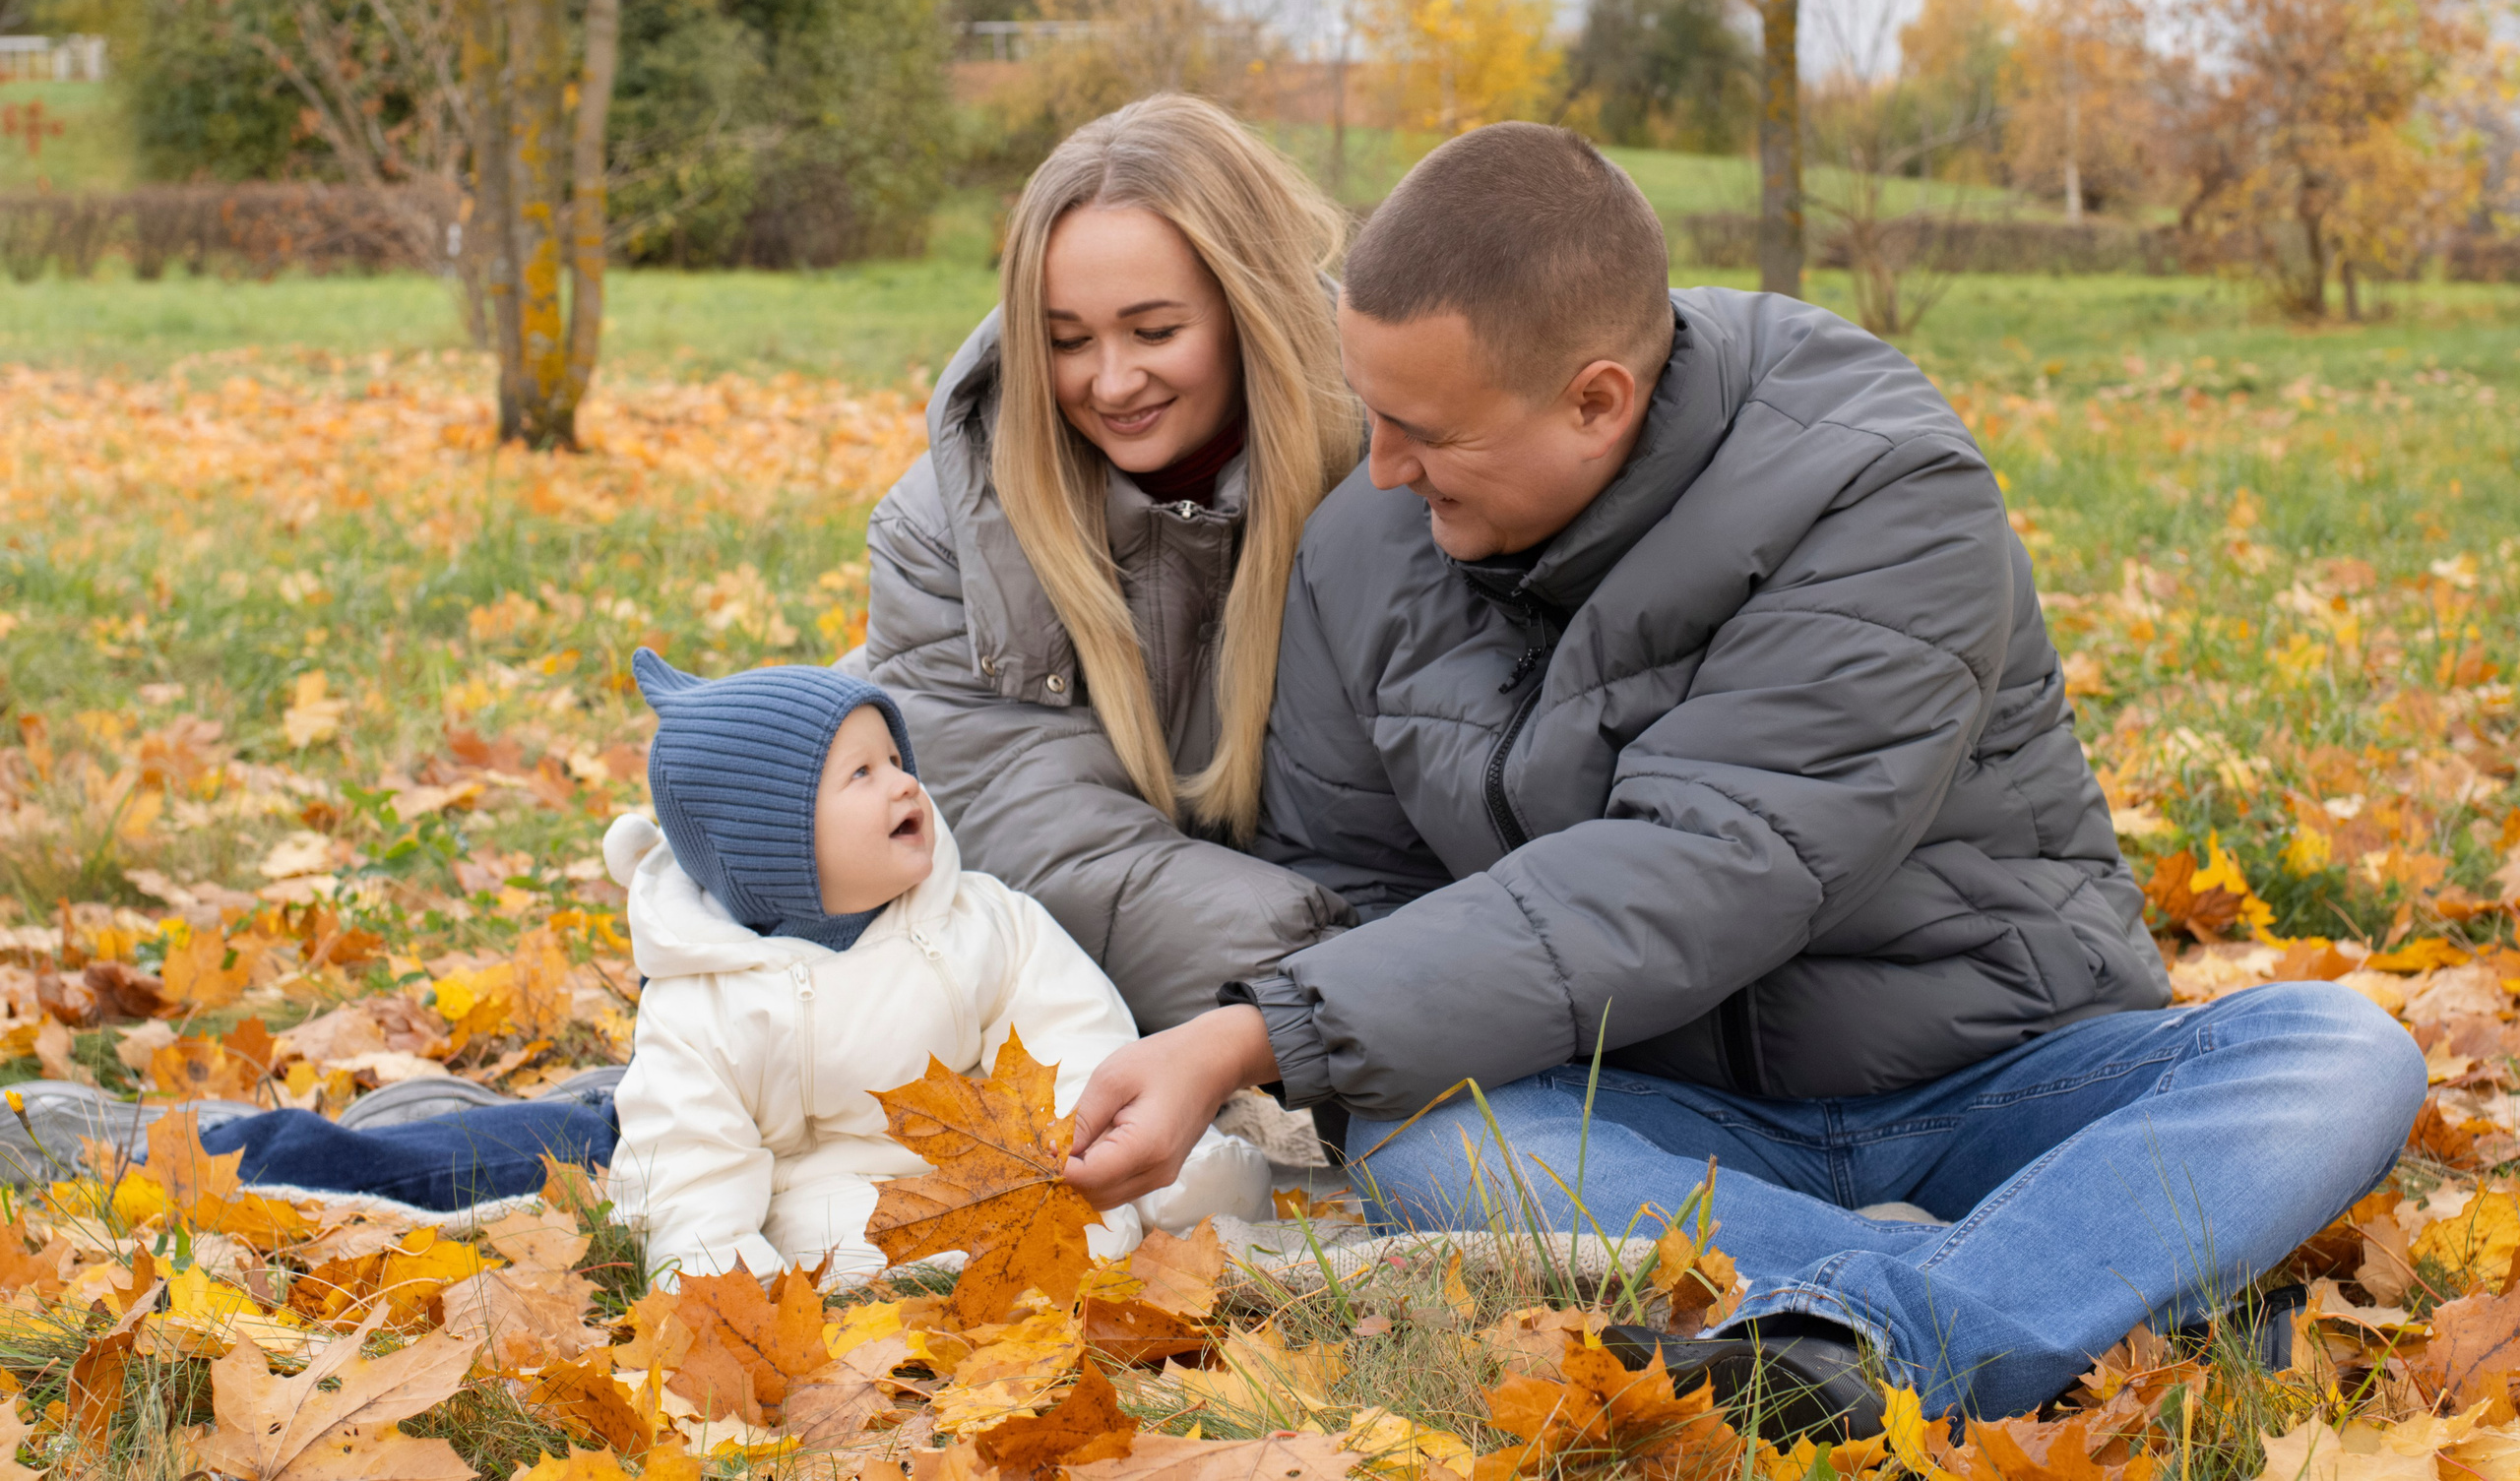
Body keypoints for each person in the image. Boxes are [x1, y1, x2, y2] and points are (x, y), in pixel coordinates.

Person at [1056, 123, 2426, 1424]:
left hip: (1988, 1076)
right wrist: (1319, 1029)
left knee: (2333, 1051)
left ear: (1599, 398)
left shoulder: (1883, 485)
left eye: (1429, 429)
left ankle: (1876, 1317)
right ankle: (2034, 1298)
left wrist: (1258, 1028)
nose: (1383, 466)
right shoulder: (1367, 544)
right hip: (1662, 1114)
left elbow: (1707, 867)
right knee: (1430, 1144)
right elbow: (1359, 886)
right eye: (1373, 409)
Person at [858, 94, 1361, 1035]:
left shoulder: (1391, 463)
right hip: (1197, 976)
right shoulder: (948, 526)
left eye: (1156, 331)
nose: (1113, 381)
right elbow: (1031, 848)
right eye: (1067, 341)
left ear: (1251, 306)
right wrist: (1355, 983)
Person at [600, 649, 1271, 1286]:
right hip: (836, 1200)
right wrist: (718, 1276)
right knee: (840, 1242)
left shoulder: (976, 918)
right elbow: (687, 1161)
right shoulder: (704, 1004)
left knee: (1097, 1210)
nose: (905, 782)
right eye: (862, 773)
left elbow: (1070, 1028)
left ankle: (1177, 1189)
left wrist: (1093, 1137)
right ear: (768, 840)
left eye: (896, 759)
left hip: (1015, 1166)